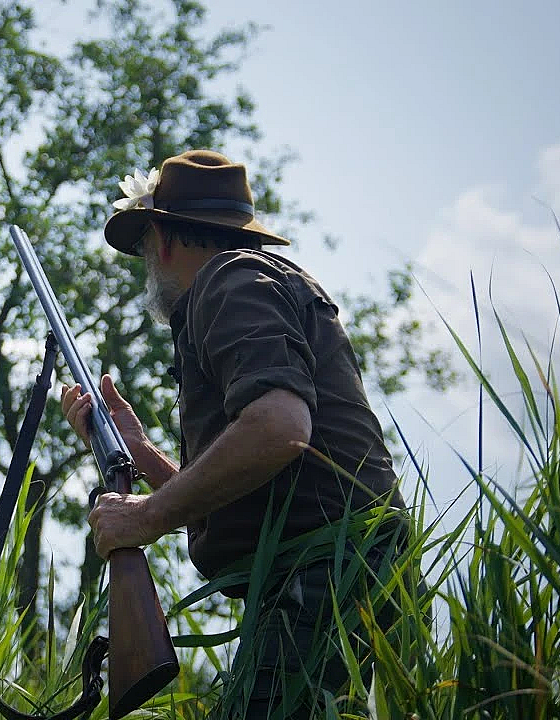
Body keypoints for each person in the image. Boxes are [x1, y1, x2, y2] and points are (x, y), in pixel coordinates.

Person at [59, 150, 407, 718]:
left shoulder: (230, 279)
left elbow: (279, 428)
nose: (149, 263)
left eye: (146, 249)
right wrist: (141, 453)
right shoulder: (252, 282)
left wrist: (143, 518)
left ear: (164, 239)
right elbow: (254, 484)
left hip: (320, 578)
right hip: (332, 576)